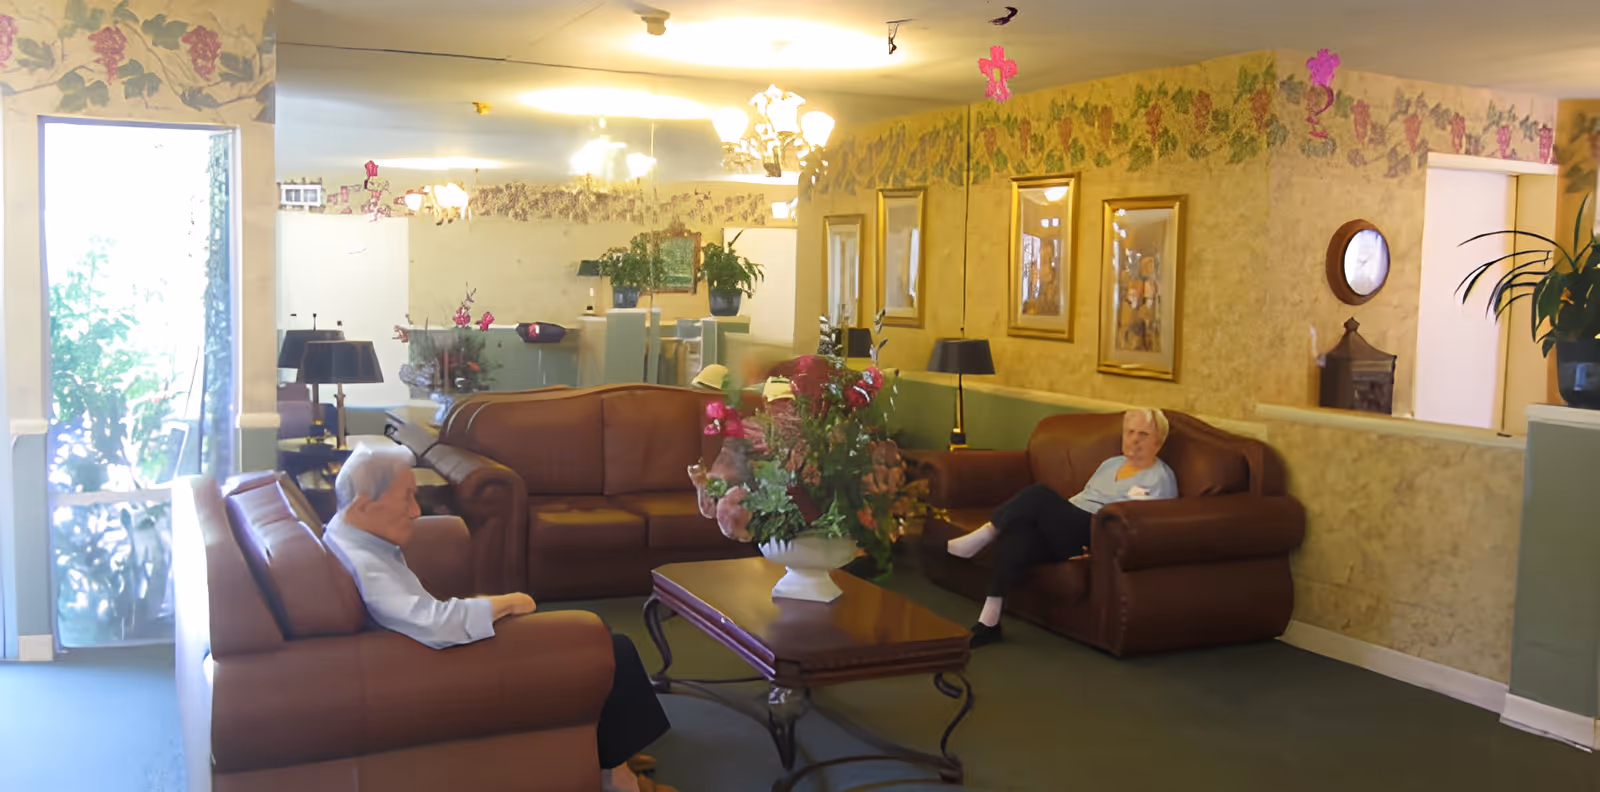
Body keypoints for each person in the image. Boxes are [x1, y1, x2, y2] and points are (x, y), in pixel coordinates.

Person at [323, 446, 673, 792]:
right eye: (406, 498)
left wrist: (485, 605)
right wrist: (506, 603)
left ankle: (614, 751)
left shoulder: (350, 533)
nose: (415, 511)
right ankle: (617, 774)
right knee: (611, 648)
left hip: (436, 653)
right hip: (444, 667)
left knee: (604, 643)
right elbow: (433, 623)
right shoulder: (366, 565)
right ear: (365, 504)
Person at [945, 409, 1179, 649]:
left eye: (1143, 434)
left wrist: (1100, 546)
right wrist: (1056, 518)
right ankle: (989, 623)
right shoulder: (1111, 464)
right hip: (1071, 525)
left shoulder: (1160, 478)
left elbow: (1147, 527)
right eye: (1130, 432)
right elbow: (1084, 497)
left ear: (1158, 442)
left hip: (1095, 534)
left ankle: (986, 533)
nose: (1134, 439)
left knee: (1039, 494)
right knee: (1017, 537)